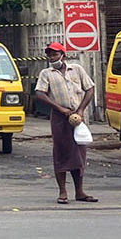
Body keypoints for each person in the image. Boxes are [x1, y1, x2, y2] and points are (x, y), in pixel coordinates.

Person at [34, 41, 98, 205]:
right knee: (61, 152)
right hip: (59, 117)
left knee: (79, 153)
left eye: (55, 54)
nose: (52, 57)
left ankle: (79, 191)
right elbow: (40, 93)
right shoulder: (46, 73)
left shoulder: (76, 69)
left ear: (63, 55)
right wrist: (59, 108)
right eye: (49, 54)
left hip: (77, 116)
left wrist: (82, 110)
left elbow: (89, 89)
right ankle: (62, 191)